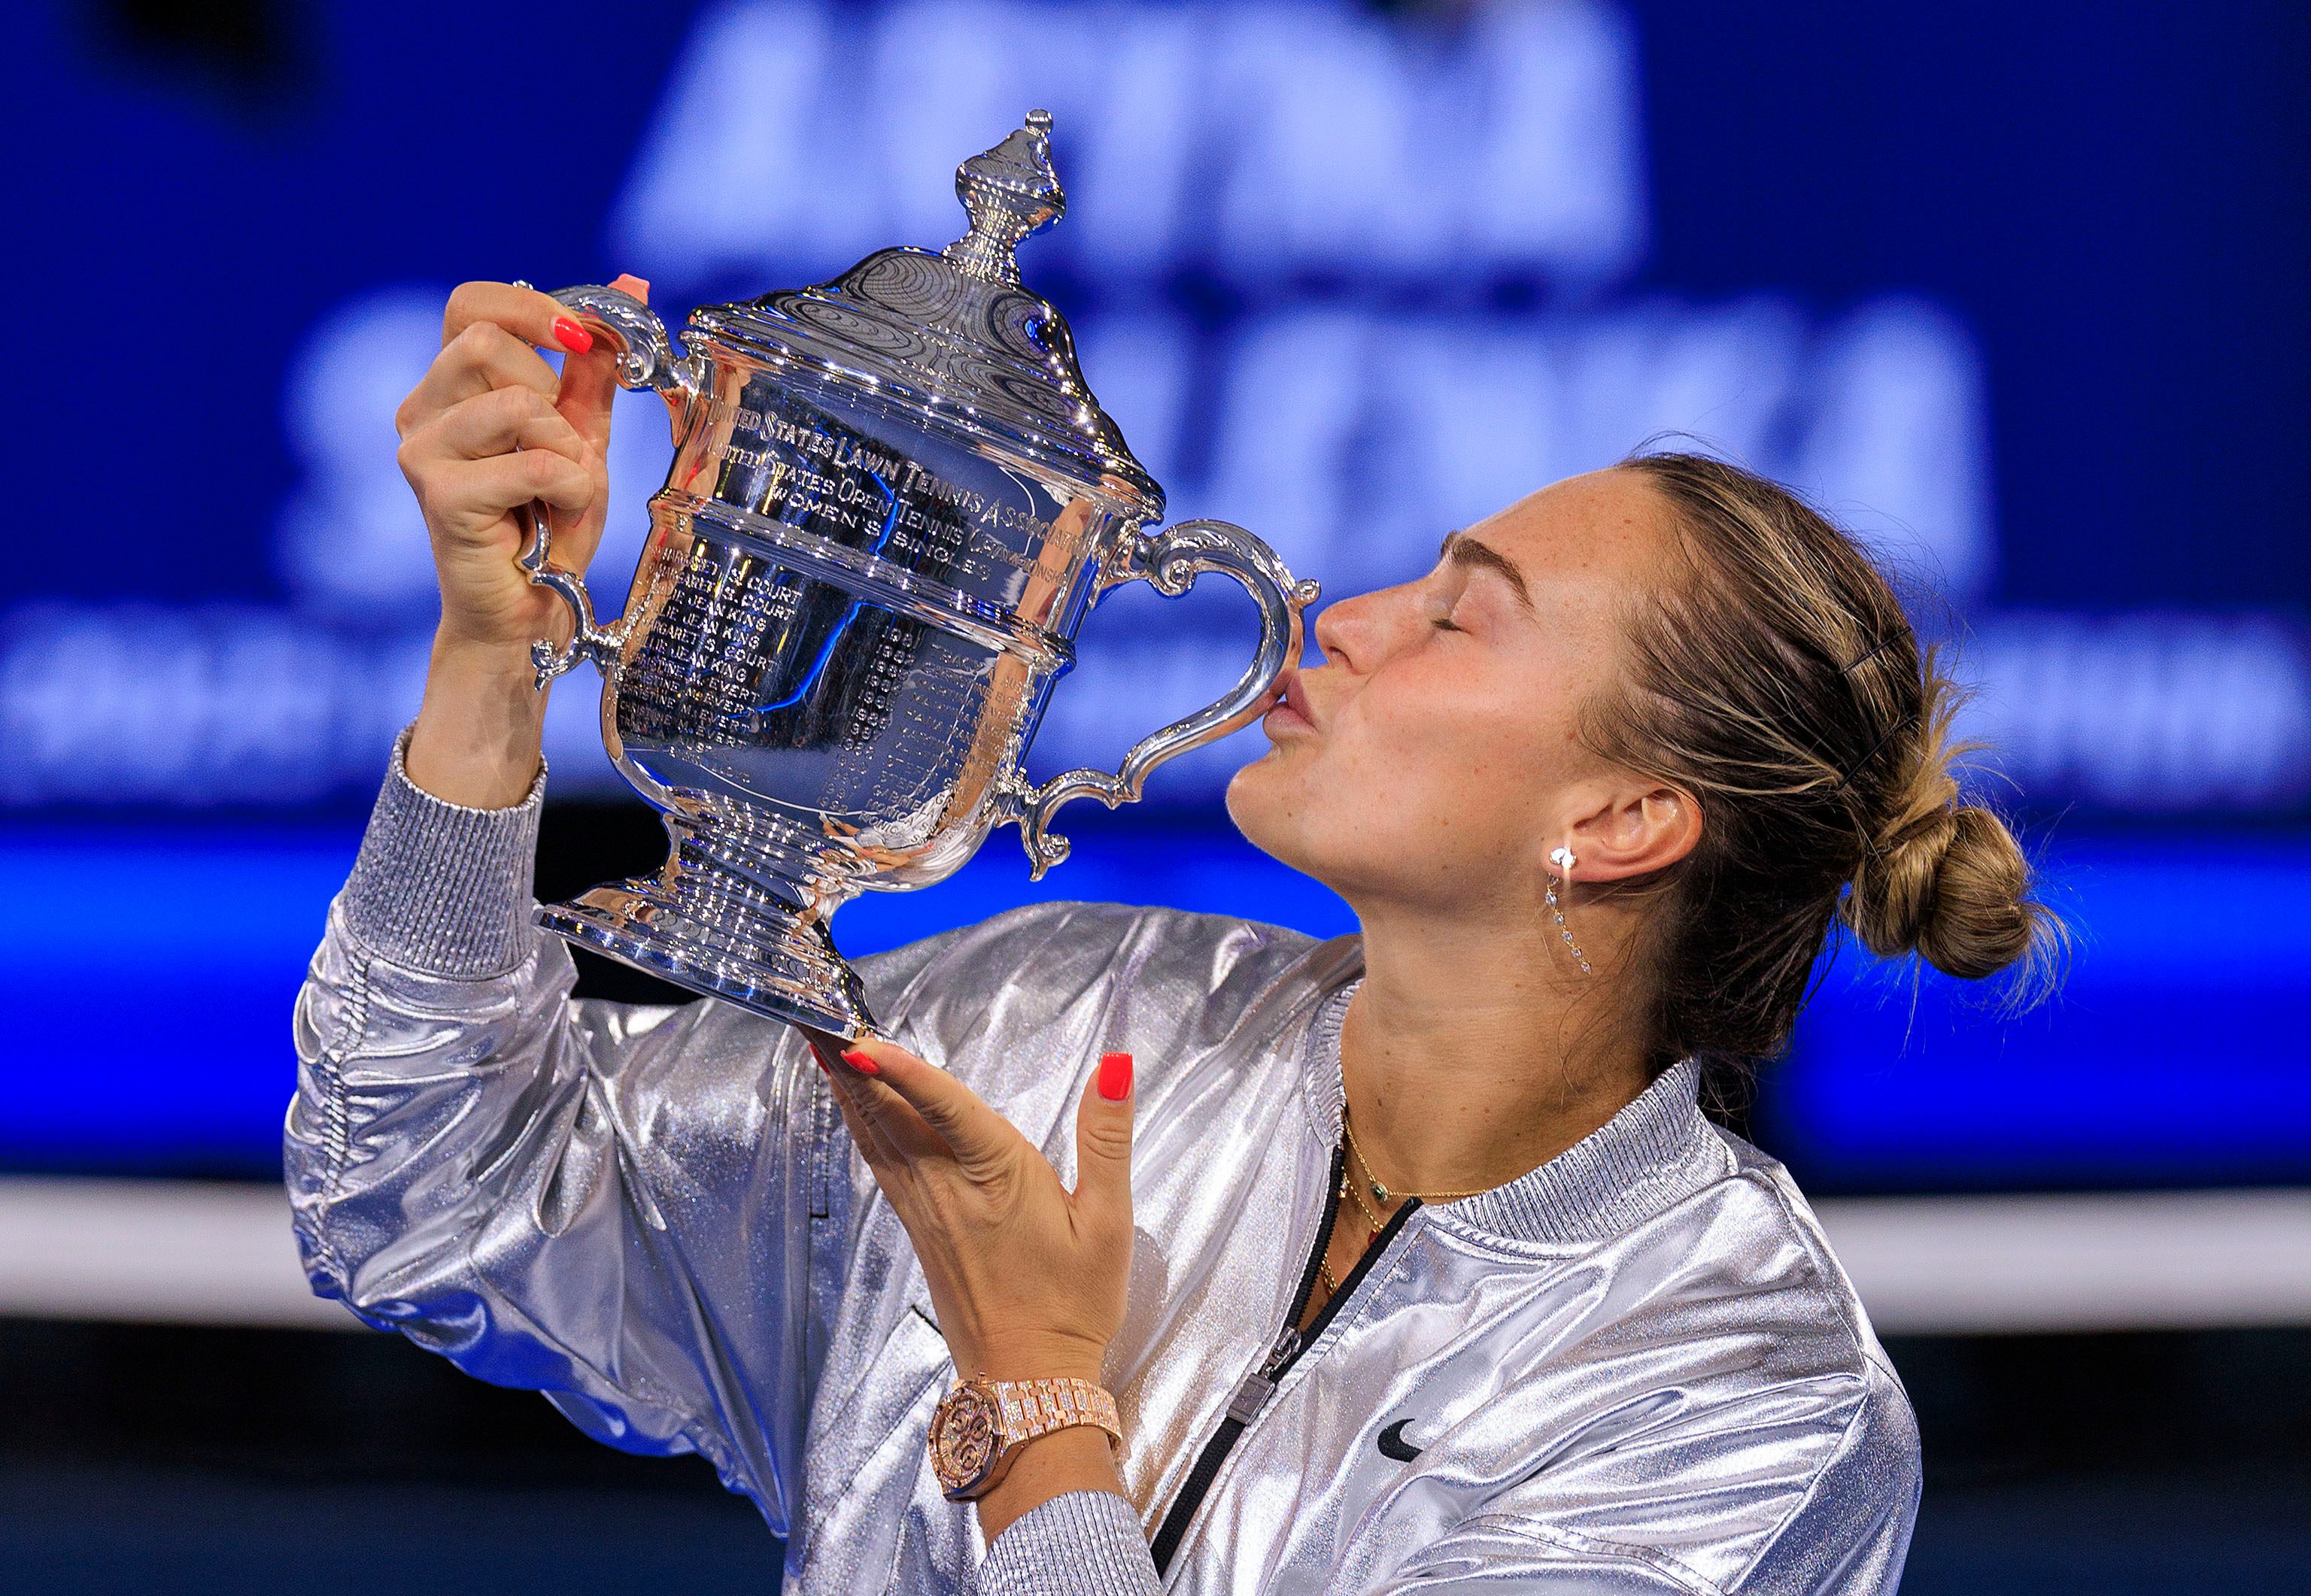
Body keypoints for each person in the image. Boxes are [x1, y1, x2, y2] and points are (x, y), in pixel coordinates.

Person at [288, 281, 2057, 1594]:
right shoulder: (1062, 1013)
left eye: (1460, 616)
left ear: (1617, 825)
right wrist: (492, 657)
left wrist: (1038, 1399)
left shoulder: (1740, 1396)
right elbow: (428, 1180)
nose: (1348, 618)